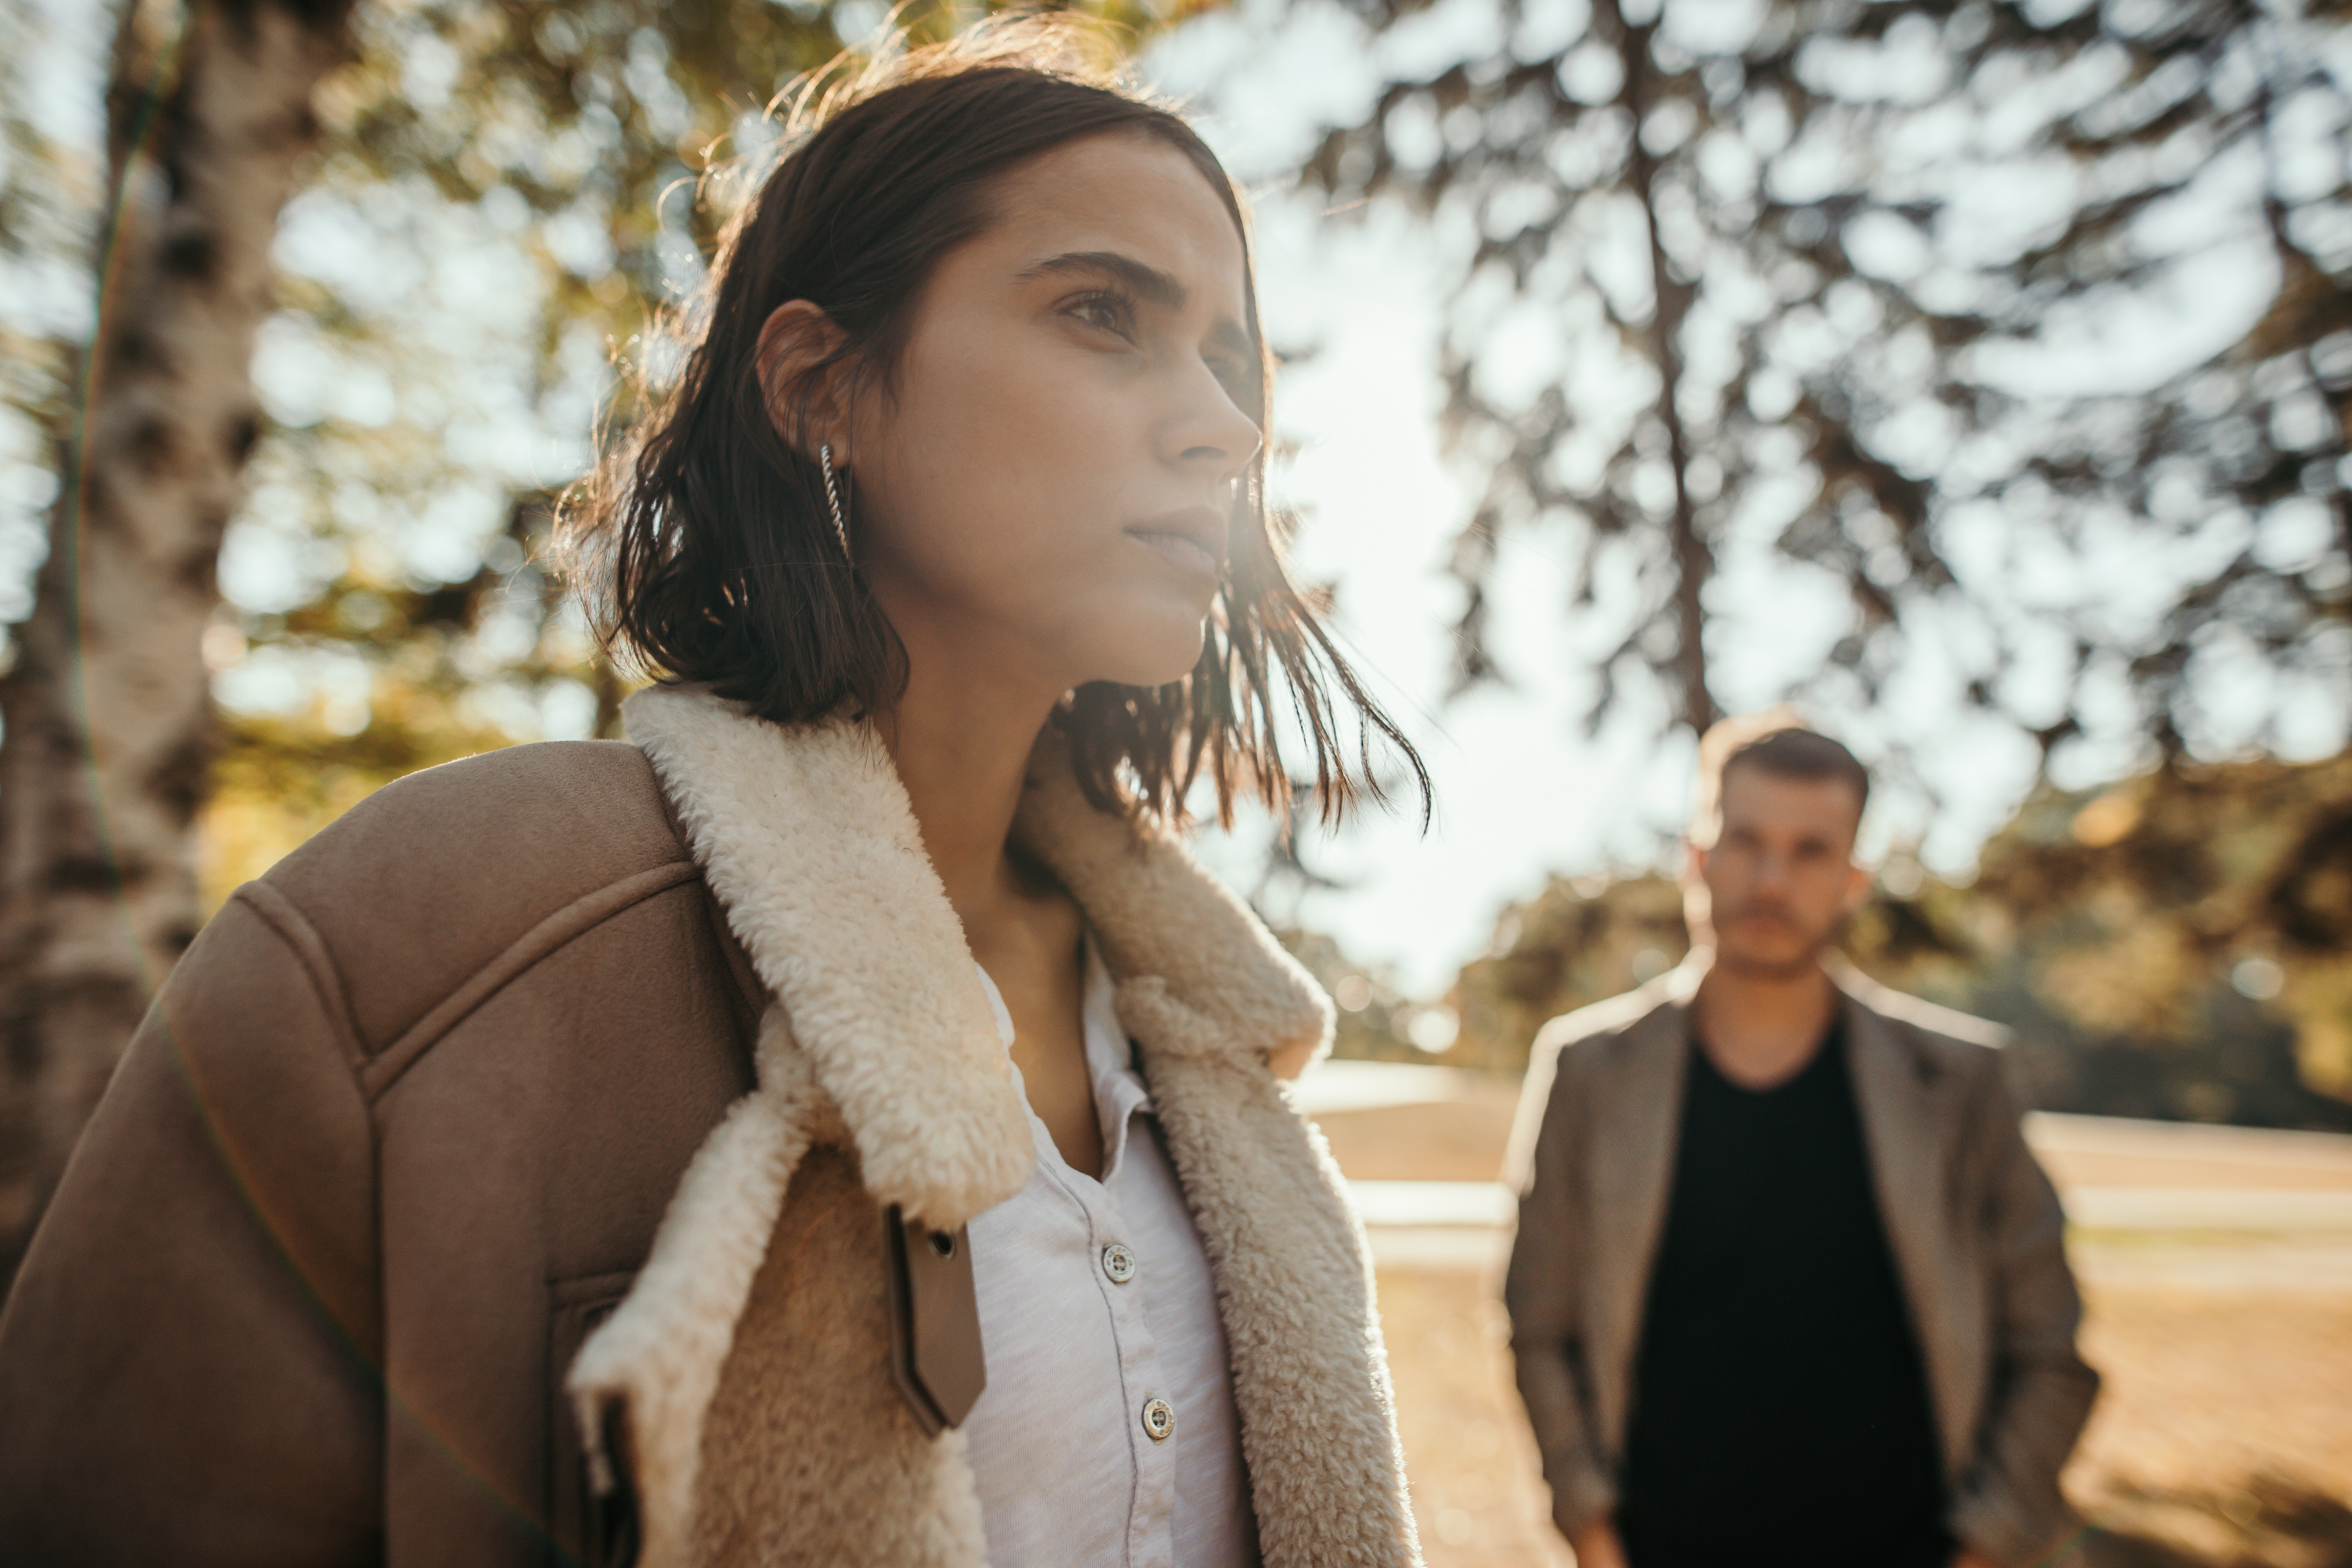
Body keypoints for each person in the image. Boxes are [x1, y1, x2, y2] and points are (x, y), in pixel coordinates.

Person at [0, 24, 1429, 1568]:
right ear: (819, 384)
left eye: (1230, 355)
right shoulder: (440, 930)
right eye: (1104, 313)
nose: (1231, 423)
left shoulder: (1207, 1036)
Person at [1503, 714, 2098, 1568]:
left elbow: (2048, 1348)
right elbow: (1540, 1323)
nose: (1772, 877)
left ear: (1854, 879)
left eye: (1811, 850)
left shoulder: (1963, 1082)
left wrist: (1989, 1544)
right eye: (1744, 840)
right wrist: (1592, 1531)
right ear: (1695, 859)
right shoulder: (1588, 1070)